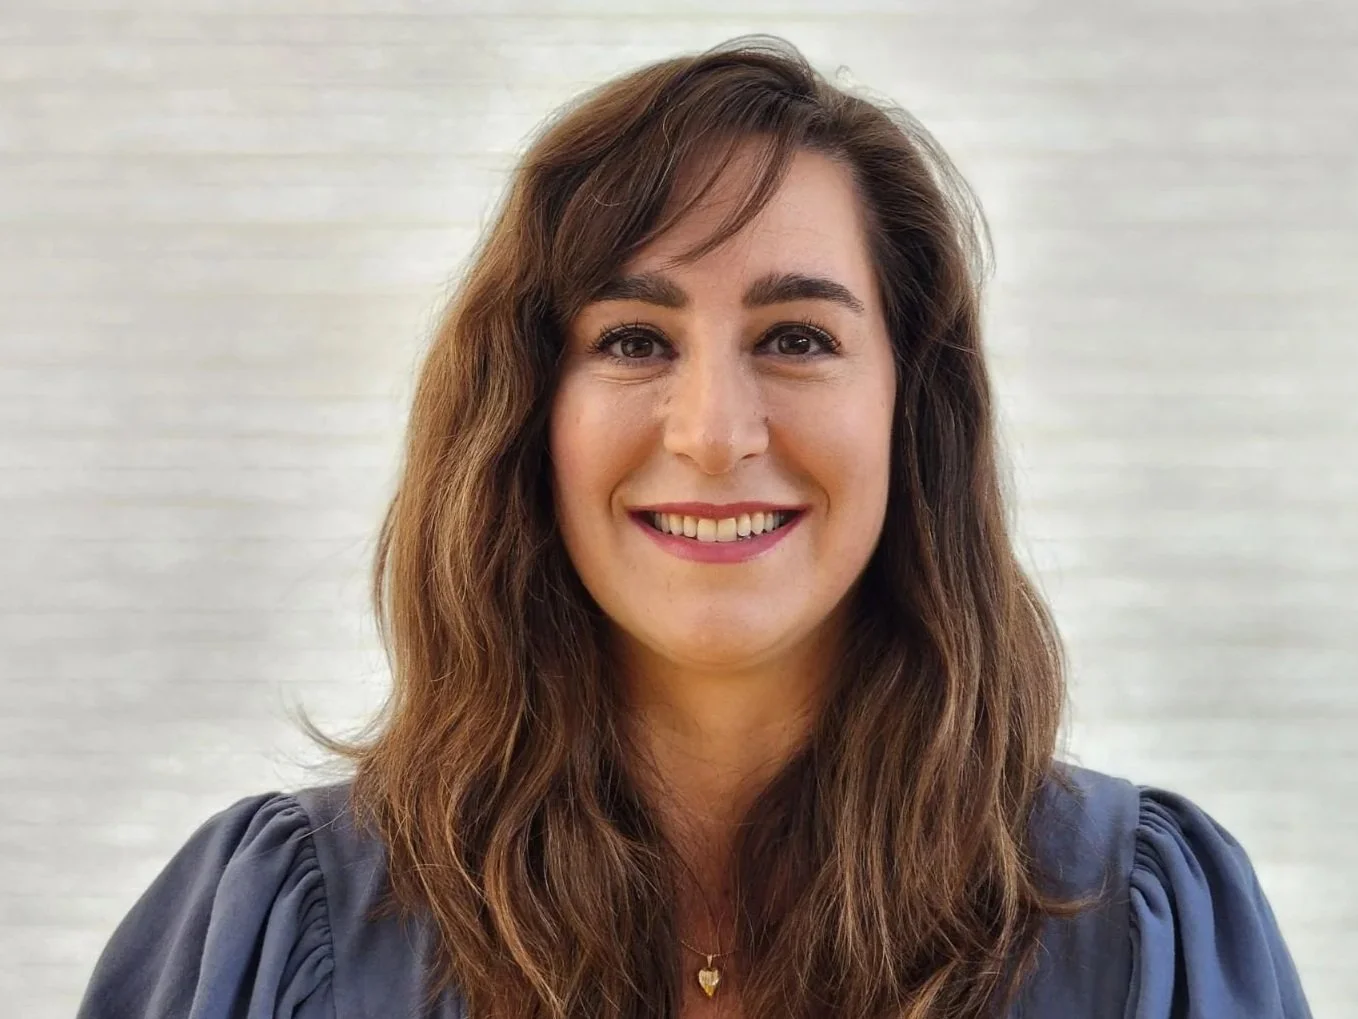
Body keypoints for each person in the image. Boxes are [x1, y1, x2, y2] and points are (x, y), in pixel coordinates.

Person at [74, 35, 1313, 1019]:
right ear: (527, 415)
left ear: (910, 410)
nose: (714, 432)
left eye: (796, 338)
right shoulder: (276, 927)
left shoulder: (1141, 928)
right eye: (632, 340)